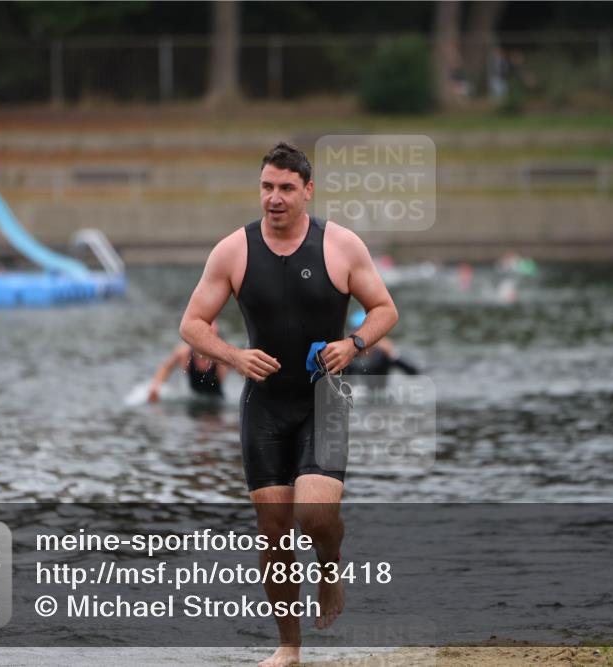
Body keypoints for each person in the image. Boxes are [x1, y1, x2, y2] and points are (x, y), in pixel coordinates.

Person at [179, 142, 398, 667]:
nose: (273, 199)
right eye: (266, 187)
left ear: (307, 191)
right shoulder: (233, 250)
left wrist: (355, 344)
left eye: (285, 189)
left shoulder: (341, 246)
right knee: (275, 533)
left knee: (314, 513)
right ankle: (289, 647)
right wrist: (233, 355)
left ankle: (330, 563)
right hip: (265, 406)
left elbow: (385, 309)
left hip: (324, 399)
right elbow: (191, 324)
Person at [147, 321, 227, 401]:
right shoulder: (183, 354)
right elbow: (166, 368)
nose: (208, 343)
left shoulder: (222, 359)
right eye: (205, 338)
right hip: (193, 400)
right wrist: (155, 387)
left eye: (212, 338)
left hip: (217, 402)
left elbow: (239, 367)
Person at [346, 309, 419, 381]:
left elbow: (413, 372)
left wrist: (393, 355)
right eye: (356, 333)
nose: (361, 339)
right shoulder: (348, 356)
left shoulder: (382, 354)